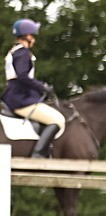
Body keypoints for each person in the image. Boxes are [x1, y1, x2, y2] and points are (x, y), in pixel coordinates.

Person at [3, 19, 65, 159]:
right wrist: (42, 87)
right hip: (21, 99)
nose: (34, 38)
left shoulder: (15, 51)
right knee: (57, 120)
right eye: (33, 35)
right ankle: (38, 155)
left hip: (16, 95)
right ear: (27, 36)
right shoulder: (23, 52)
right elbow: (23, 77)